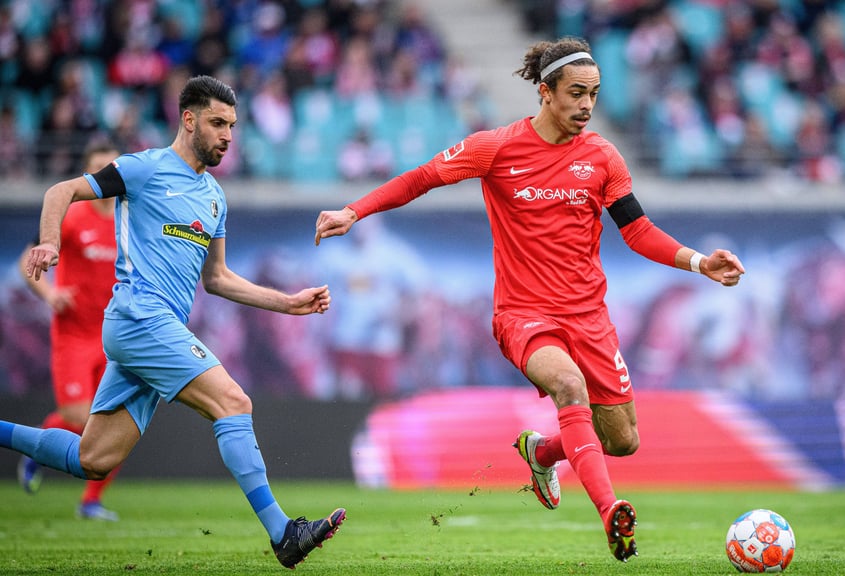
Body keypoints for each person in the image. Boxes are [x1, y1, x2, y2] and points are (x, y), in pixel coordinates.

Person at [314, 38, 745, 562]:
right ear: (545, 92)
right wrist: (353, 212)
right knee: (569, 384)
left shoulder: (603, 157)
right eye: (576, 93)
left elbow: (637, 232)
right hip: (523, 314)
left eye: (594, 95)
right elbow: (421, 179)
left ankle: (542, 453)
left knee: (624, 439)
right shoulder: (494, 148)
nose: (587, 105)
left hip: (590, 317)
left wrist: (700, 262)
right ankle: (611, 513)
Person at [2, 75, 345, 569]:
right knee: (233, 401)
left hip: (149, 331)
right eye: (217, 123)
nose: (228, 134)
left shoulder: (215, 198)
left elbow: (219, 279)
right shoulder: (144, 169)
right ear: (189, 120)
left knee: (92, 459)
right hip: (140, 316)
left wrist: (287, 303)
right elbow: (62, 190)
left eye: (232, 125)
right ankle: (282, 532)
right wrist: (51, 243)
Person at [16, 141, 121, 521]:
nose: (104, 176)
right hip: (74, 336)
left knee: (119, 425)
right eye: (97, 170)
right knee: (78, 416)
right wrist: (50, 292)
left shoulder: (130, 218)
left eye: (110, 168)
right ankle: (37, 446)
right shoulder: (73, 216)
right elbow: (26, 261)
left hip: (114, 337)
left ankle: (91, 502)